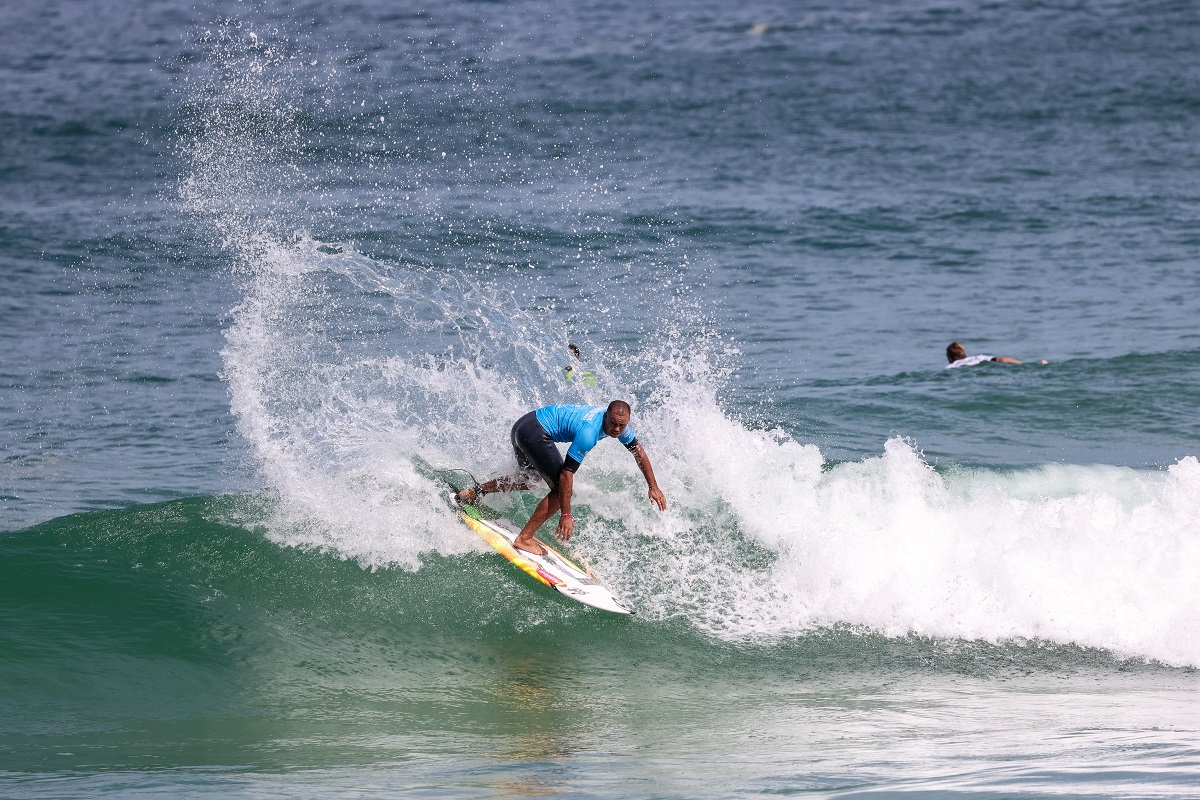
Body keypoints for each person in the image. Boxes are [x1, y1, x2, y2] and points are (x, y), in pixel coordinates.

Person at [457, 401, 667, 555]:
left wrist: (653, 486)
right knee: (561, 490)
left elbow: (638, 450)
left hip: (523, 426)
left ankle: (475, 492)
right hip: (534, 432)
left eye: (622, 425)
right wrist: (566, 514)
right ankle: (524, 538)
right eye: (613, 423)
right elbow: (567, 474)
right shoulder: (589, 433)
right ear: (606, 416)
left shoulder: (620, 427)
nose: (617, 429)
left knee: (530, 479)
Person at [945, 341, 1045, 368]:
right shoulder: (979, 357)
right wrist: (1022, 364)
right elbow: (1003, 360)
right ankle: (1035, 365)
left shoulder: (951, 366)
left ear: (949, 357)